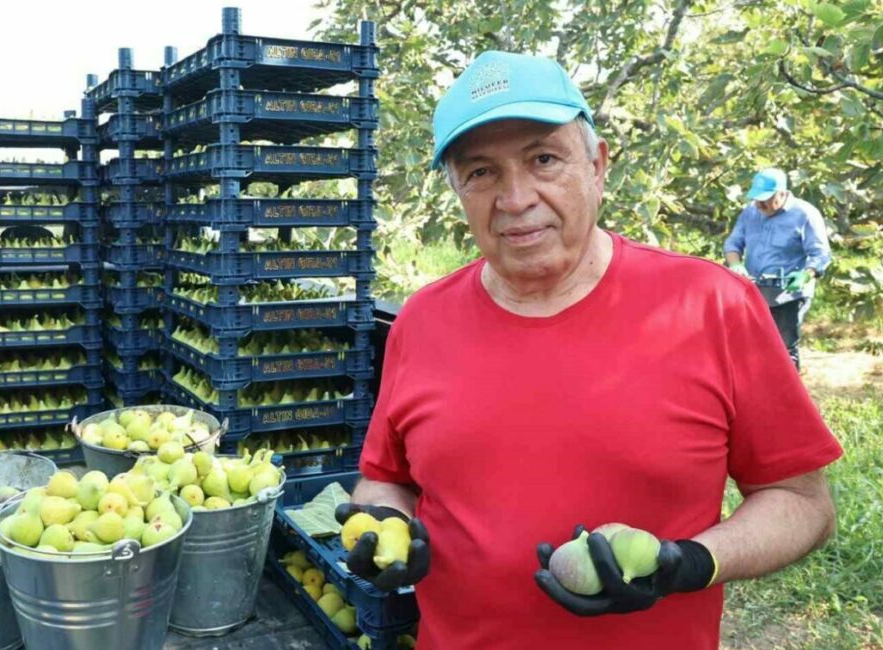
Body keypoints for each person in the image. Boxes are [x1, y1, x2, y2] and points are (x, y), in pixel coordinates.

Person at [334, 51, 843, 649]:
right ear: (459, 192)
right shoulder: (422, 320)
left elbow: (802, 503)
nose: (516, 197)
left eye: (544, 159)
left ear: (597, 165)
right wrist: (388, 524)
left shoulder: (710, 305)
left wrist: (690, 563)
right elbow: (384, 478)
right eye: (481, 173)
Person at [722, 169, 831, 369]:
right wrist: (736, 264)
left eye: (765, 199)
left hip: (788, 294)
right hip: (755, 290)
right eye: (756, 199)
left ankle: (787, 394)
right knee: (750, 346)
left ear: (782, 193)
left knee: (783, 348)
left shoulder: (804, 214)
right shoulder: (750, 212)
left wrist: (806, 275)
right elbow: (733, 244)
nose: (759, 204)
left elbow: (820, 254)